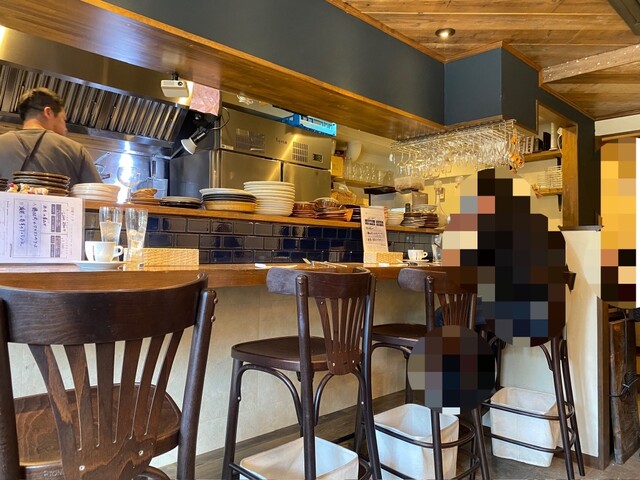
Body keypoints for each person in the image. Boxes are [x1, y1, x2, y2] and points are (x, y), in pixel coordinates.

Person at [0, 87, 102, 186]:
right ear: (48, 112)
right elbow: (97, 194)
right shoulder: (76, 150)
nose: (65, 129)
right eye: (63, 120)